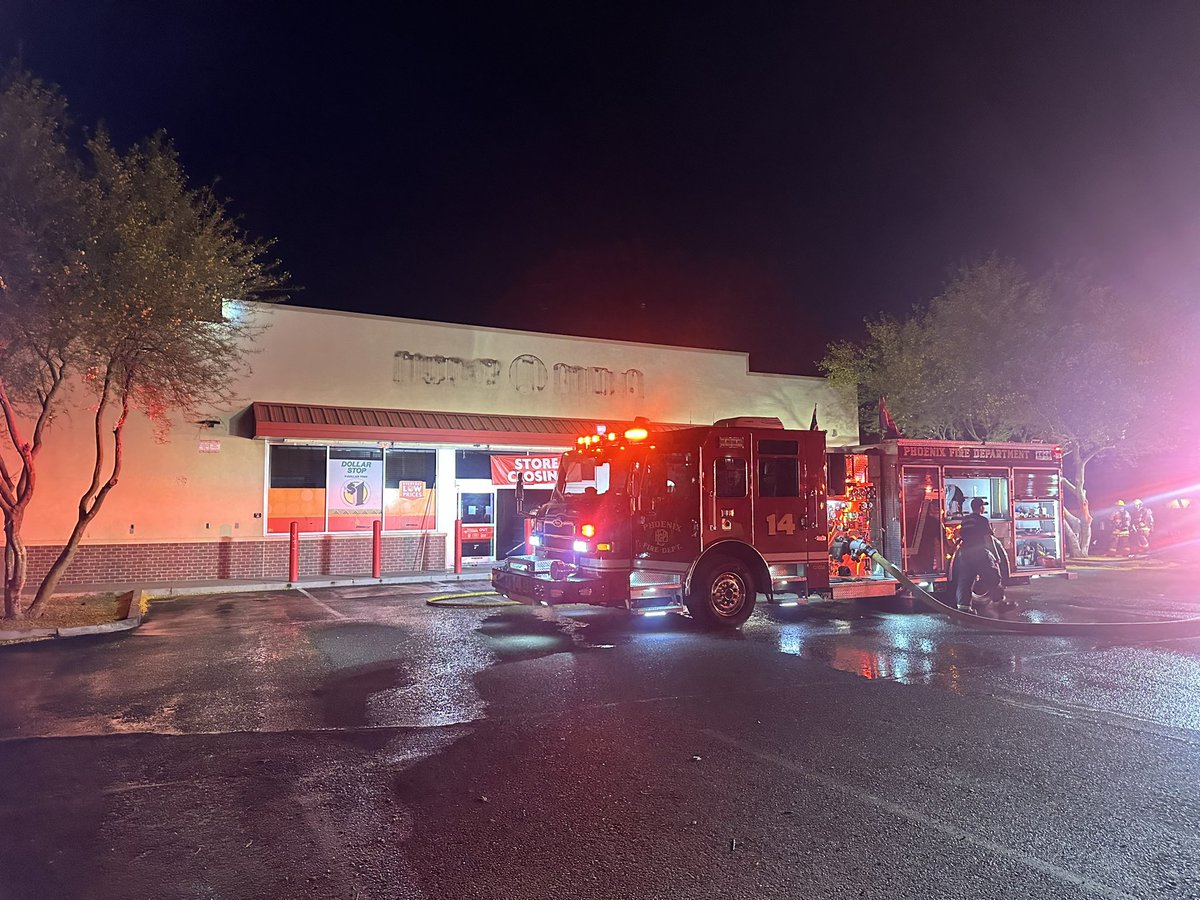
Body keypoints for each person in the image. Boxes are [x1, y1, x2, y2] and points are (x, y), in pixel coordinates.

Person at [950, 497, 1009, 611]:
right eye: (983, 506)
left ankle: (964, 608)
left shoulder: (965, 520)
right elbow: (988, 539)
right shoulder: (983, 520)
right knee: (992, 576)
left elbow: (961, 535)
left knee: (965, 581)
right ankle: (999, 603)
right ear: (981, 507)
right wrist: (996, 556)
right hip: (979, 553)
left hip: (965, 554)